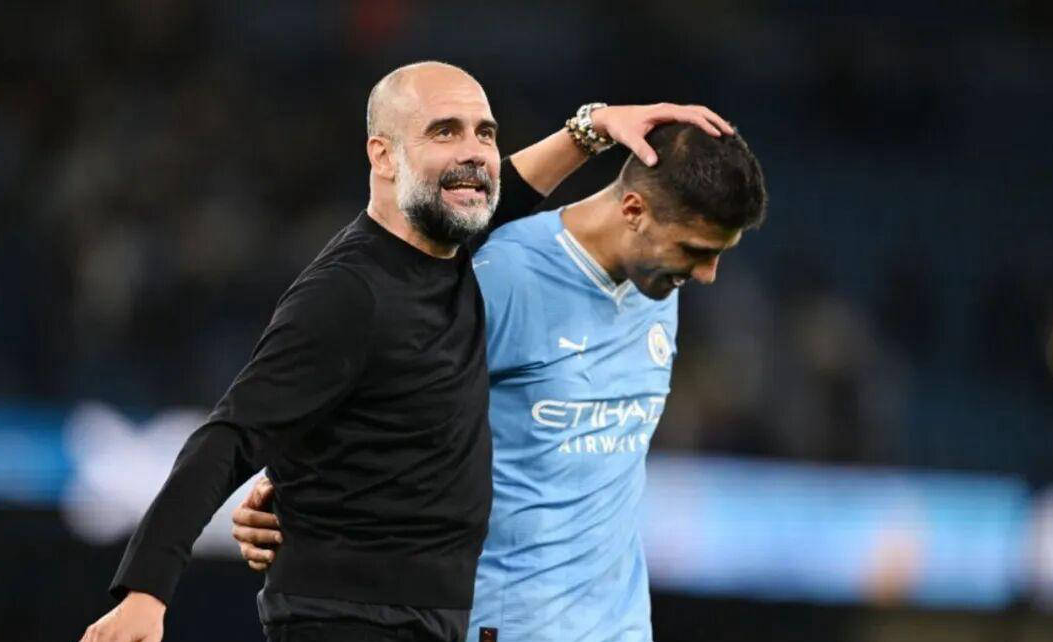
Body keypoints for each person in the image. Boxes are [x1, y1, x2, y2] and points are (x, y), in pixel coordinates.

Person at [80, 59, 732, 642]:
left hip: (425, 618)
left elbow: (501, 192)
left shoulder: (445, 254)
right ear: (384, 156)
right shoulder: (347, 293)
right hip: (348, 620)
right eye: (444, 131)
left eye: (485, 133)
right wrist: (145, 591)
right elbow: (227, 438)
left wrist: (592, 128)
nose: (474, 151)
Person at [234, 121, 768, 641]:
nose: (707, 275)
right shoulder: (507, 276)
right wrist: (290, 492)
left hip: (619, 624)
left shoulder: (657, 284)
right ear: (634, 210)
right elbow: (373, 390)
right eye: (696, 251)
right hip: (502, 620)